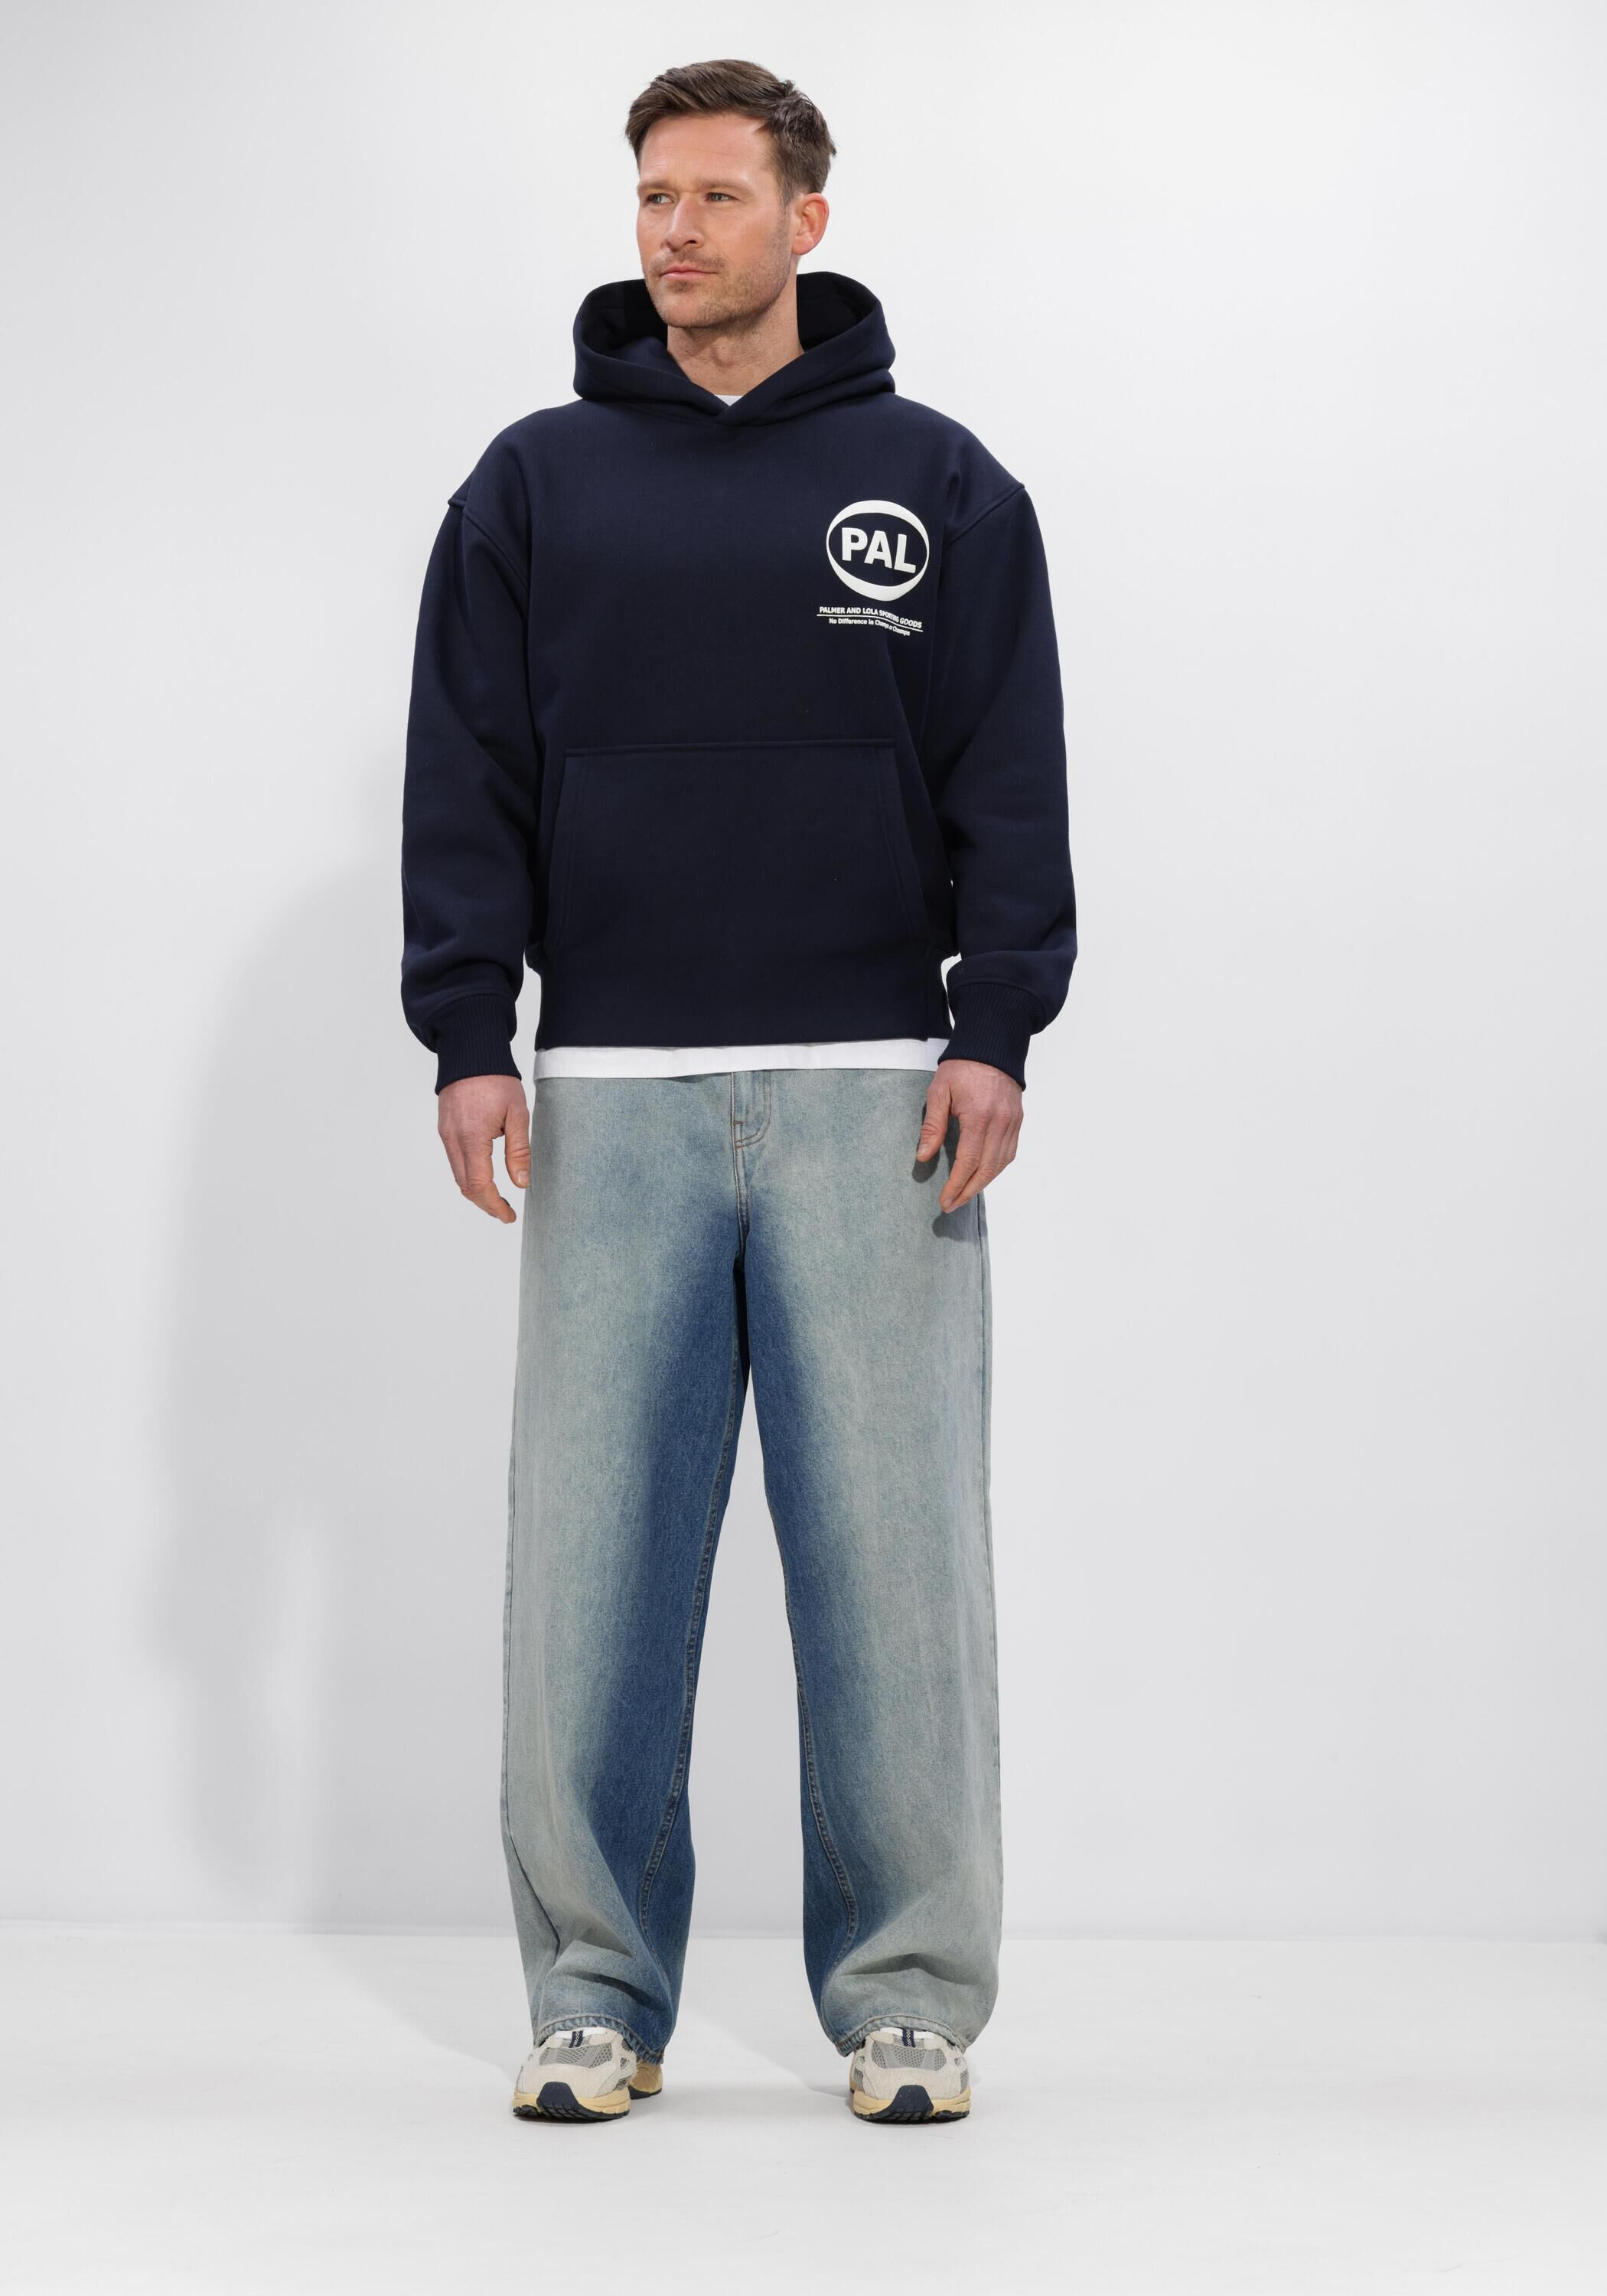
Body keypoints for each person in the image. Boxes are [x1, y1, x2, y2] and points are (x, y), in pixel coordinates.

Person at [401, 56, 1077, 2125]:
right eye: (651, 196)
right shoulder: (535, 484)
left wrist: (995, 1026)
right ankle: (594, 1996)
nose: (674, 230)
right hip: (610, 1087)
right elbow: (469, 767)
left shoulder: (939, 483)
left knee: (895, 1565)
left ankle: (907, 2001)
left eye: (713, 196)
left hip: (877, 1086)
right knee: (591, 1564)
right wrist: (467, 1032)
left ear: (806, 219)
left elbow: (1007, 767)